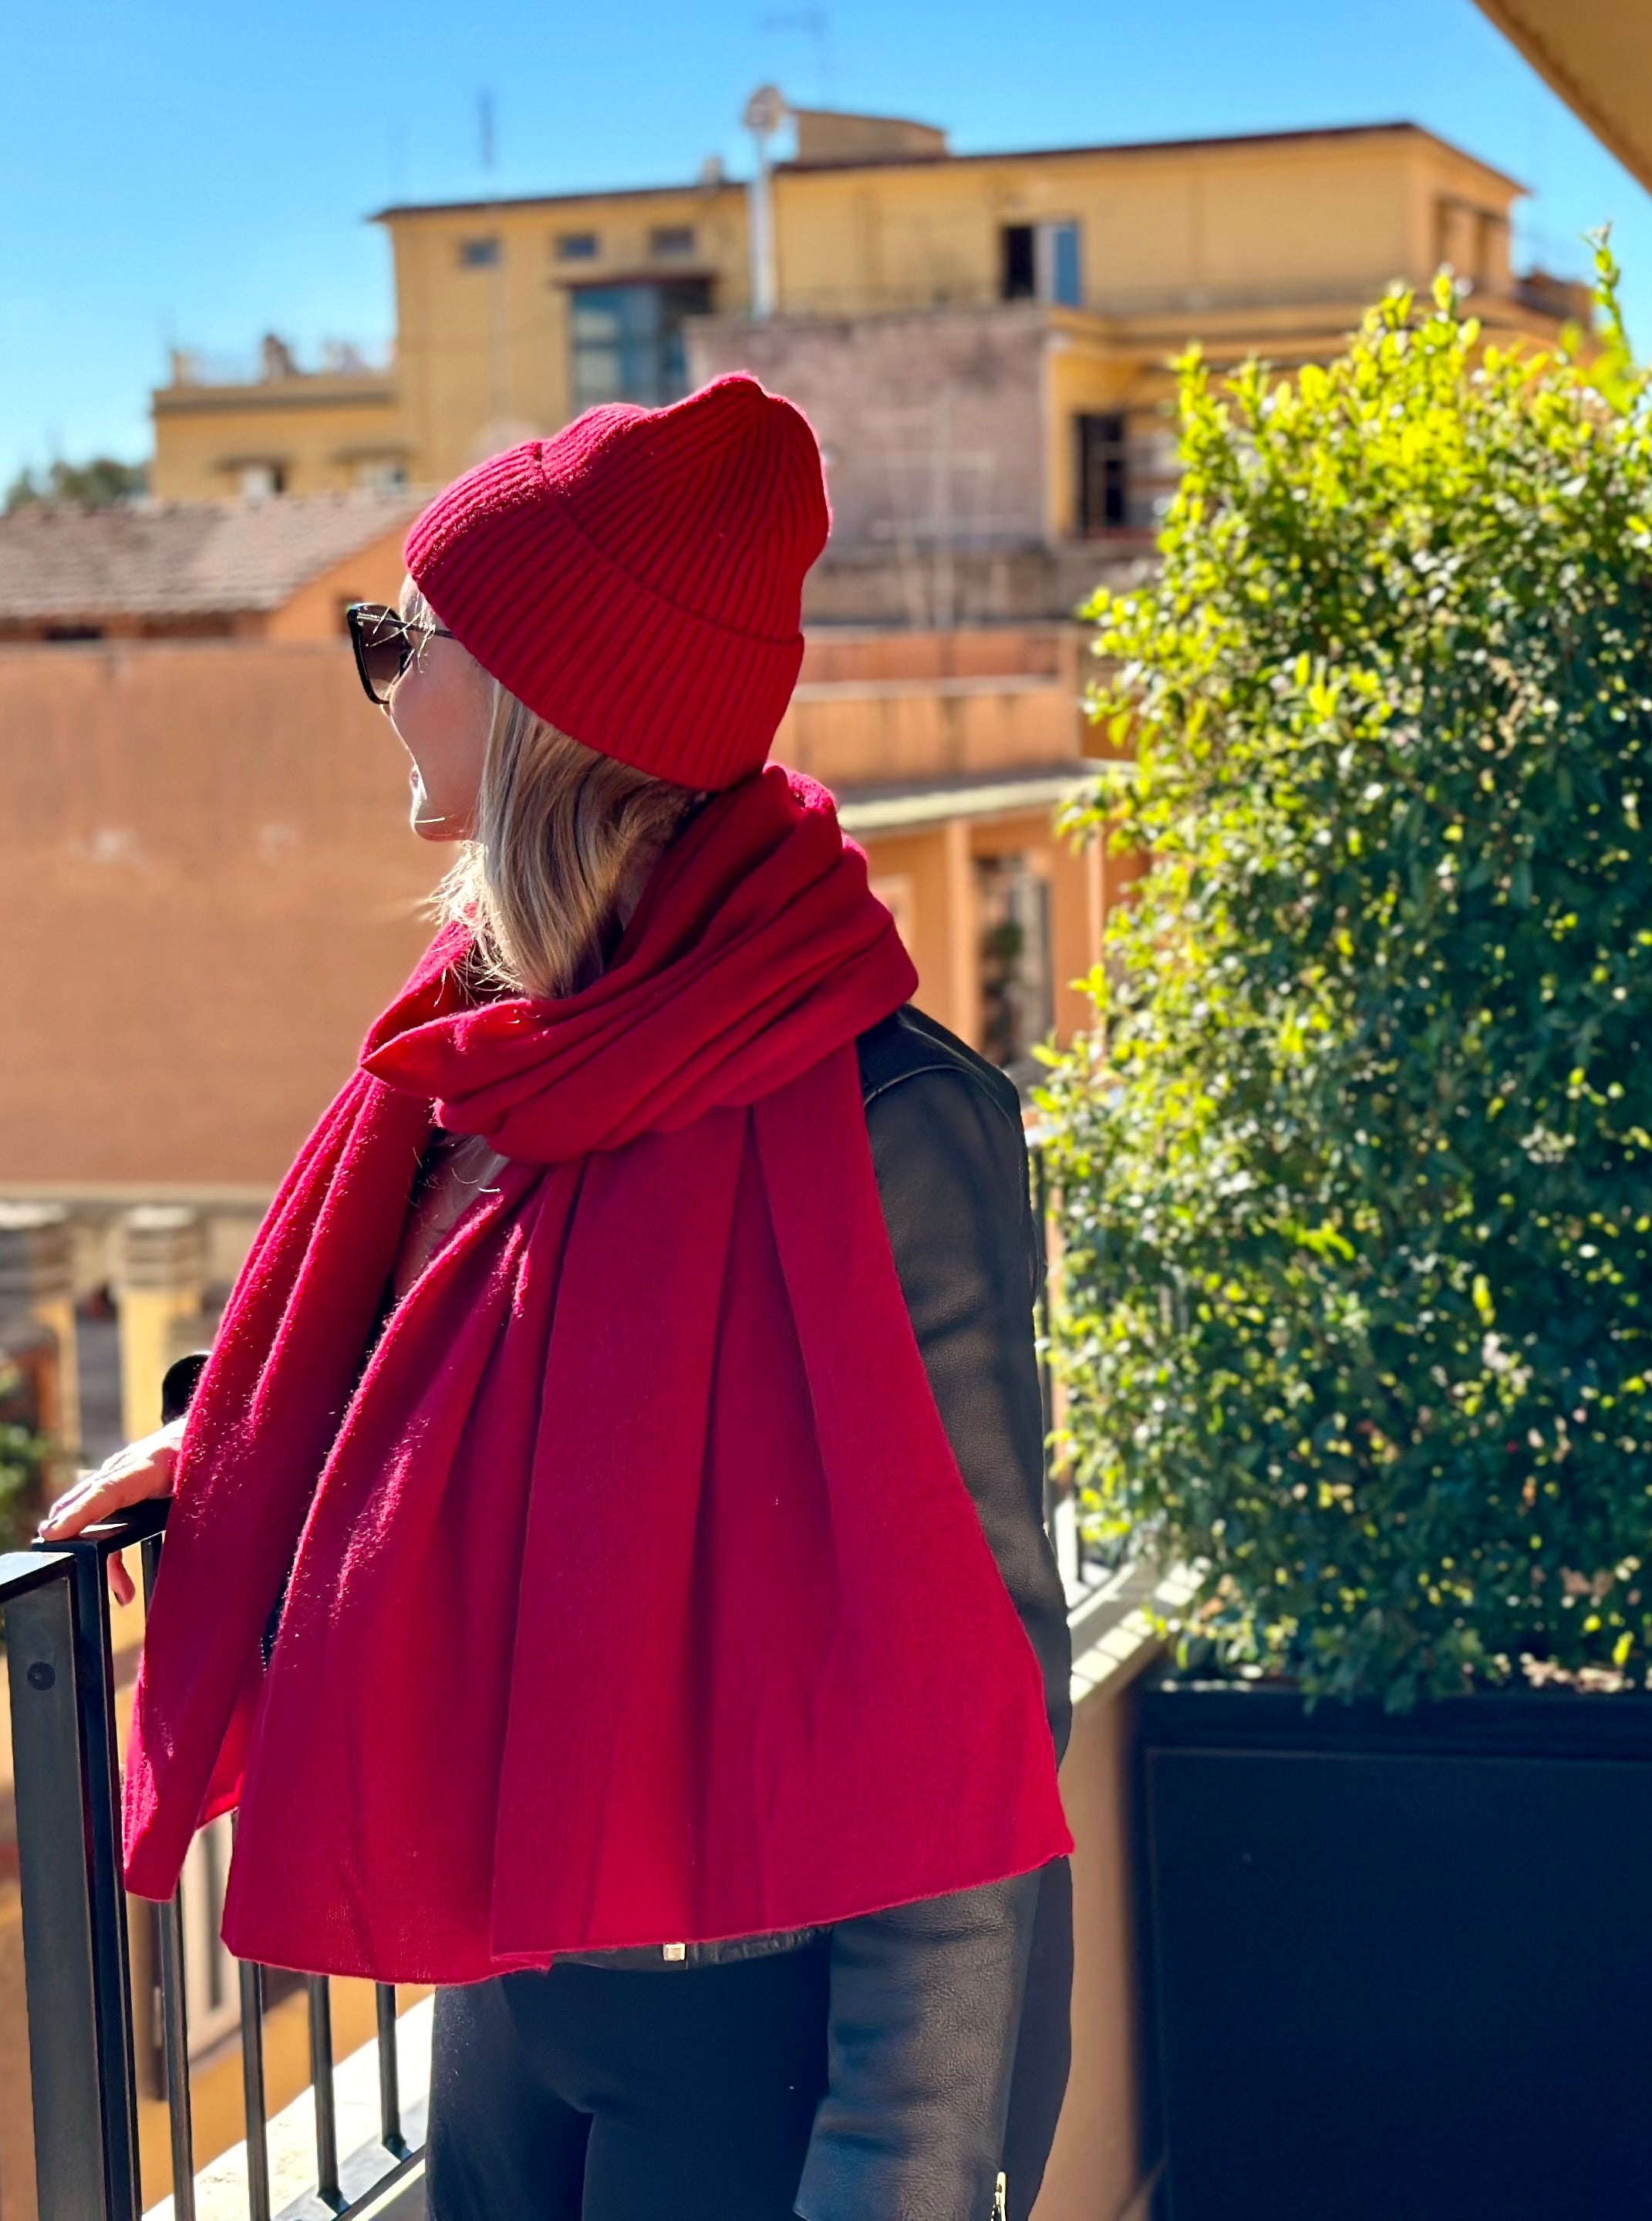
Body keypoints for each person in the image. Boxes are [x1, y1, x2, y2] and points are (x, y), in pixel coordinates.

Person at [41, 375, 1074, 2221]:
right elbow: (483, 1372)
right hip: (516, 1988)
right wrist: (242, 1446)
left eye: (403, 639)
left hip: (755, 2046)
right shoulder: (495, 1053)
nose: (380, 676)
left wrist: (899, 2176)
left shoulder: (884, 1122)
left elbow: (973, 1695)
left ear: (538, 704)